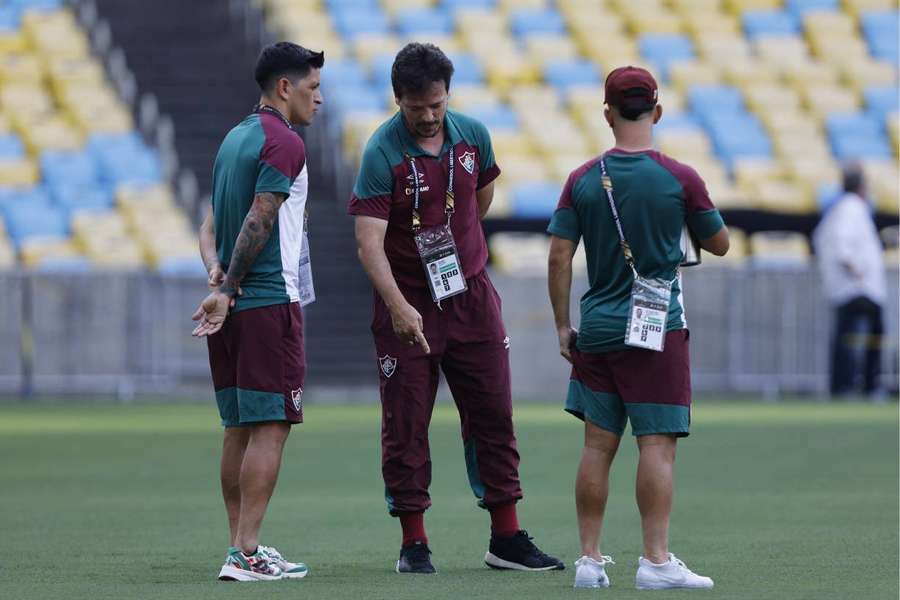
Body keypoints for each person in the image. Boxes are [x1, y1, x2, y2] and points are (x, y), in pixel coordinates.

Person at [348, 42, 563, 575]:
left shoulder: (473, 135)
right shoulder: (381, 153)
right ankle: (414, 543)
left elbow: (478, 200)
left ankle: (506, 537)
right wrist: (397, 305)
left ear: (448, 96)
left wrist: (460, 249)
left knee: (493, 412)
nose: (427, 116)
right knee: (406, 422)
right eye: (416, 107)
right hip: (407, 303)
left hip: (469, 294)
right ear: (398, 99)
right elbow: (368, 243)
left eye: (436, 105)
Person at [547, 66, 729, 590]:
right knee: (656, 445)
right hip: (657, 330)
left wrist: (563, 326)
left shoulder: (582, 179)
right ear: (657, 110)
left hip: (599, 329)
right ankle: (654, 561)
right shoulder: (680, 177)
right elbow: (719, 244)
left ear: (607, 113)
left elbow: (560, 257)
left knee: (597, 446)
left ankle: (589, 559)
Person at [191, 41, 323, 582]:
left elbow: (209, 227)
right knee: (269, 427)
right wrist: (235, 285)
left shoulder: (234, 139)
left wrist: (218, 280)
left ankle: (239, 546)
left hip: (233, 304)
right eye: (313, 89)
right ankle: (246, 550)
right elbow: (260, 217)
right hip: (268, 303)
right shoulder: (284, 142)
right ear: (285, 88)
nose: (320, 99)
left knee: (238, 428)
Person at [813, 164, 887, 397]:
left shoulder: (841, 208)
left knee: (848, 336)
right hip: (858, 287)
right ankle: (865, 385)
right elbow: (841, 244)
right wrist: (855, 270)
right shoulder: (851, 208)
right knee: (868, 336)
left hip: (851, 287)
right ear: (862, 187)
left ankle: (845, 385)